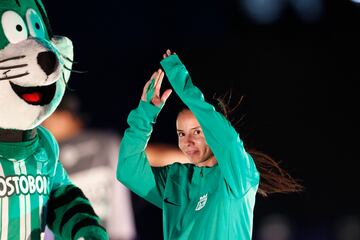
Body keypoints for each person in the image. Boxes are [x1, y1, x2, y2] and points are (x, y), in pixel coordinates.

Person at [117, 50, 303, 240]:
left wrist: (184, 86)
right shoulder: (176, 179)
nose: (187, 141)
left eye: (197, 132)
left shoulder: (237, 175)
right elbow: (127, 170)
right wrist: (145, 113)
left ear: (212, 133)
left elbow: (228, 141)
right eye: (181, 134)